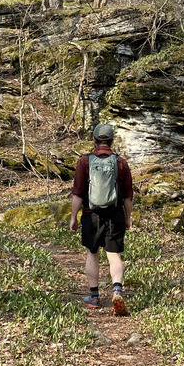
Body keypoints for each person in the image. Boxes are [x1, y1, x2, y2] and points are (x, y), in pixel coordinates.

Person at [69, 123, 134, 316]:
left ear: (94, 140)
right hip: (115, 214)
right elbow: (128, 195)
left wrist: (74, 217)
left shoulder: (84, 162)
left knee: (92, 252)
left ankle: (94, 296)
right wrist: (128, 218)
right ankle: (117, 291)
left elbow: (78, 193)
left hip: (91, 215)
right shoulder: (121, 162)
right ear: (112, 141)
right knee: (114, 255)